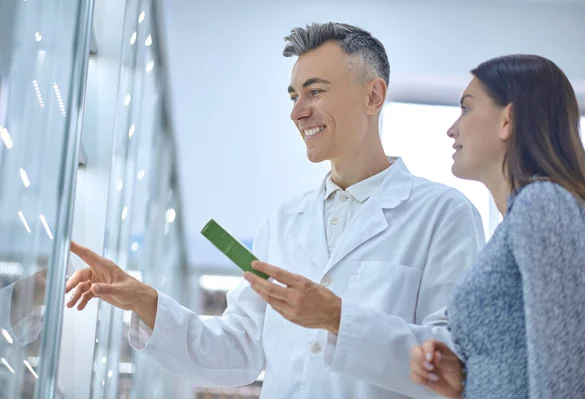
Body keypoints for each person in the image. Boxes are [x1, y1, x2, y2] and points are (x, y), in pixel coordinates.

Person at [67, 22, 485, 399]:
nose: (297, 111)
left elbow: (453, 361)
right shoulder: (283, 223)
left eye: (315, 92)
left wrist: (337, 317)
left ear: (373, 95)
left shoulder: (444, 215)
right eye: (294, 95)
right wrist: (146, 300)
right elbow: (240, 349)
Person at [409, 54, 585, 398]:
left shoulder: (543, 204)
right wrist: (470, 381)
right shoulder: (519, 218)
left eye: (466, 108)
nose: (452, 128)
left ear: (507, 120)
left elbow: (570, 377)